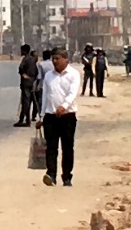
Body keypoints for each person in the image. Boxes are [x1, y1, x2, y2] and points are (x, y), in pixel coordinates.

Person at [37, 48, 79, 187]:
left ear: (65, 59)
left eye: (57, 58)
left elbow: (72, 93)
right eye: (53, 59)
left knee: (67, 147)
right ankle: (51, 175)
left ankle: (67, 177)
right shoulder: (49, 75)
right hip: (50, 116)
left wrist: (64, 106)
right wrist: (41, 116)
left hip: (67, 116)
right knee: (51, 147)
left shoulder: (74, 74)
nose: (55, 61)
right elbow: (45, 96)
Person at [14, 44, 38, 127]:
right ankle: (27, 120)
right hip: (32, 82)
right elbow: (36, 71)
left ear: (24, 51)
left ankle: (24, 120)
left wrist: (23, 74)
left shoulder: (25, 59)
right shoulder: (32, 59)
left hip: (26, 83)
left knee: (25, 102)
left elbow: (20, 69)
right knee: (29, 101)